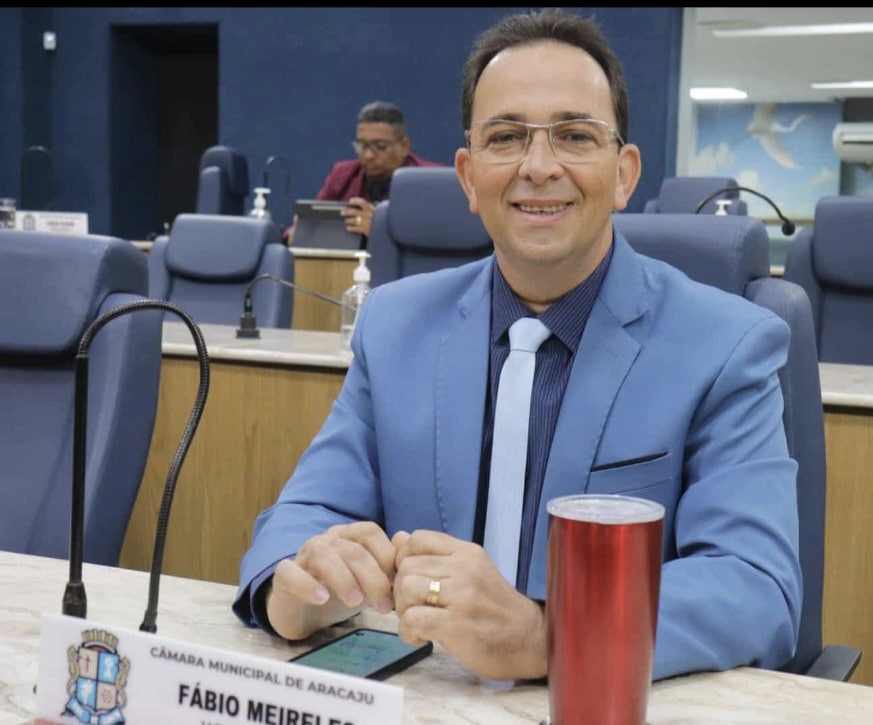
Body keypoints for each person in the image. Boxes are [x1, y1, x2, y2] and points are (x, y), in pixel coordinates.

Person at [234, 8, 801, 683]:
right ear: (469, 177)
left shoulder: (726, 345)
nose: (538, 166)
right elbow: (304, 514)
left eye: (574, 135)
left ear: (624, 174)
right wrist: (295, 592)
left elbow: (755, 584)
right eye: (506, 138)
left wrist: (544, 635)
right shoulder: (394, 324)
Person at [284, 100, 440, 242]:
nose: (368, 156)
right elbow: (309, 222)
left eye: (380, 146)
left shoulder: (431, 182)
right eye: (362, 146)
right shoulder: (343, 175)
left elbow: (439, 240)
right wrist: (298, 234)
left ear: (404, 147)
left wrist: (381, 231)